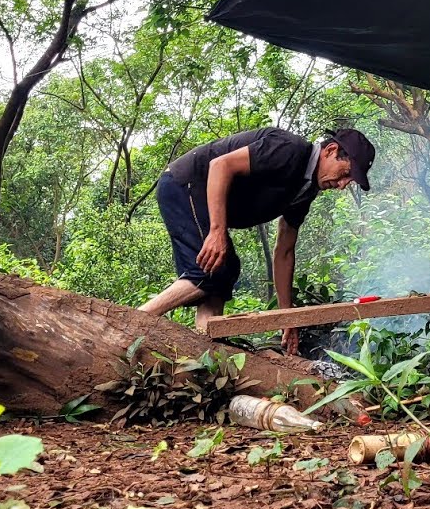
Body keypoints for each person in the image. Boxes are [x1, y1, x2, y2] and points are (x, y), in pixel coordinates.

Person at [139, 126, 375, 355]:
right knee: (210, 271)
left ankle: (205, 355)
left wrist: (287, 317)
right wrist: (217, 231)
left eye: (350, 181)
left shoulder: (305, 191)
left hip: (196, 195)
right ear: (331, 150)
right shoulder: (289, 150)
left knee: (222, 271)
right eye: (345, 173)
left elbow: (284, 252)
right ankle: (134, 321)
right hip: (186, 185)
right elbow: (220, 165)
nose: (343, 184)